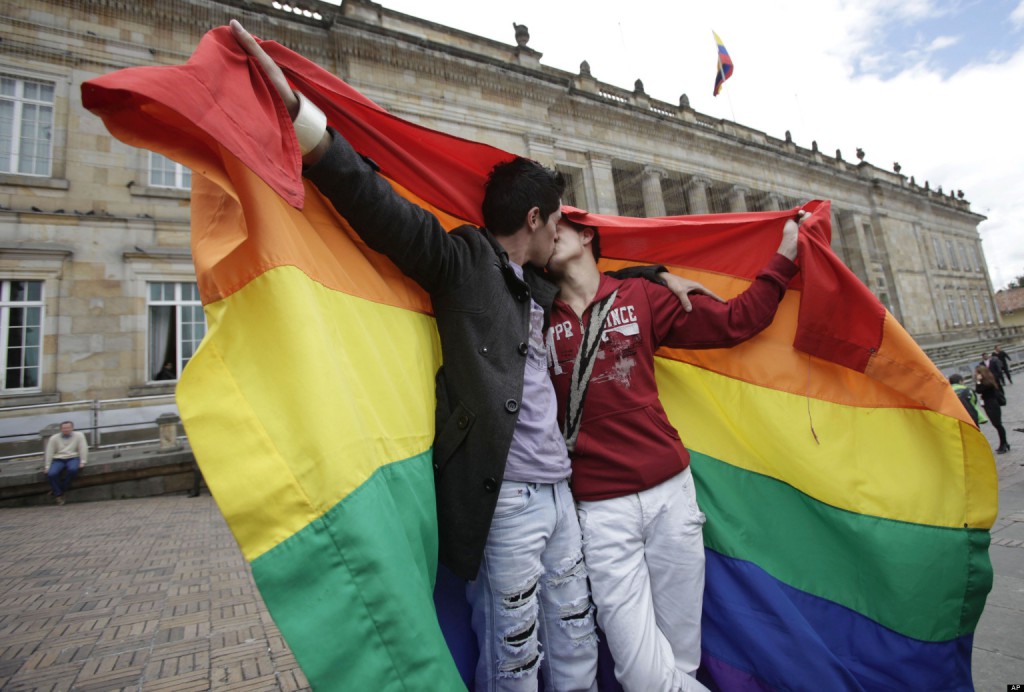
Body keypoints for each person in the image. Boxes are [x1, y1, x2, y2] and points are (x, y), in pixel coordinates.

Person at [228, 21, 714, 691]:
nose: (566, 234)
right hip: (506, 498)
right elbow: (376, 206)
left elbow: (600, 279)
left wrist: (660, 275)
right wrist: (296, 113)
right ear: (538, 221)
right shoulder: (460, 262)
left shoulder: (546, 282)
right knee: (514, 648)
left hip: (561, 493)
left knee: (575, 632)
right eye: (560, 221)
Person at [544, 213, 801, 691]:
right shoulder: (536, 314)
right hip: (600, 513)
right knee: (641, 674)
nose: (551, 227)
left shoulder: (641, 296)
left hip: (671, 498)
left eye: (565, 221)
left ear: (587, 235)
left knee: (681, 661)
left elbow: (736, 322)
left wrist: (786, 256)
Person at [43, 421, 89, 505]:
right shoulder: (54, 438)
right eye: (64, 428)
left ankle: (59, 491)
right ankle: (59, 494)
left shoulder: (79, 435)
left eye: (68, 428)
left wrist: (83, 461)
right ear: (60, 429)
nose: (66, 430)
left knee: (73, 470)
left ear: (72, 428)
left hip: (73, 457)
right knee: (51, 474)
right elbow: (49, 452)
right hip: (58, 458)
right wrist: (47, 466)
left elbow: (83, 448)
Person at [975, 365, 1009, 454]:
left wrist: (978, 381)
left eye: (978, 373)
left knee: (998, 425)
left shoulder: (987, 383)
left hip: (992, 404)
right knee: (997, 425)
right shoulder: (989, 380)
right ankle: (1004, 443)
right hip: (989, 404)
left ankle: (1004, 444)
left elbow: (978, 390)